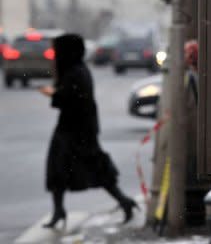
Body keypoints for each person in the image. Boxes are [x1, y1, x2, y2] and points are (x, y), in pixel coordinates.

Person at [38, 33, 138, 228]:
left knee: (80, 168)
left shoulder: (76, 73)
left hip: (76, 130)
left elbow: (67, 99)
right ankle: (60, 210)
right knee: (63, 169)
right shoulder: (77, 70)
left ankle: (124, 201)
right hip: (77, 128)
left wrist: (53, 93)